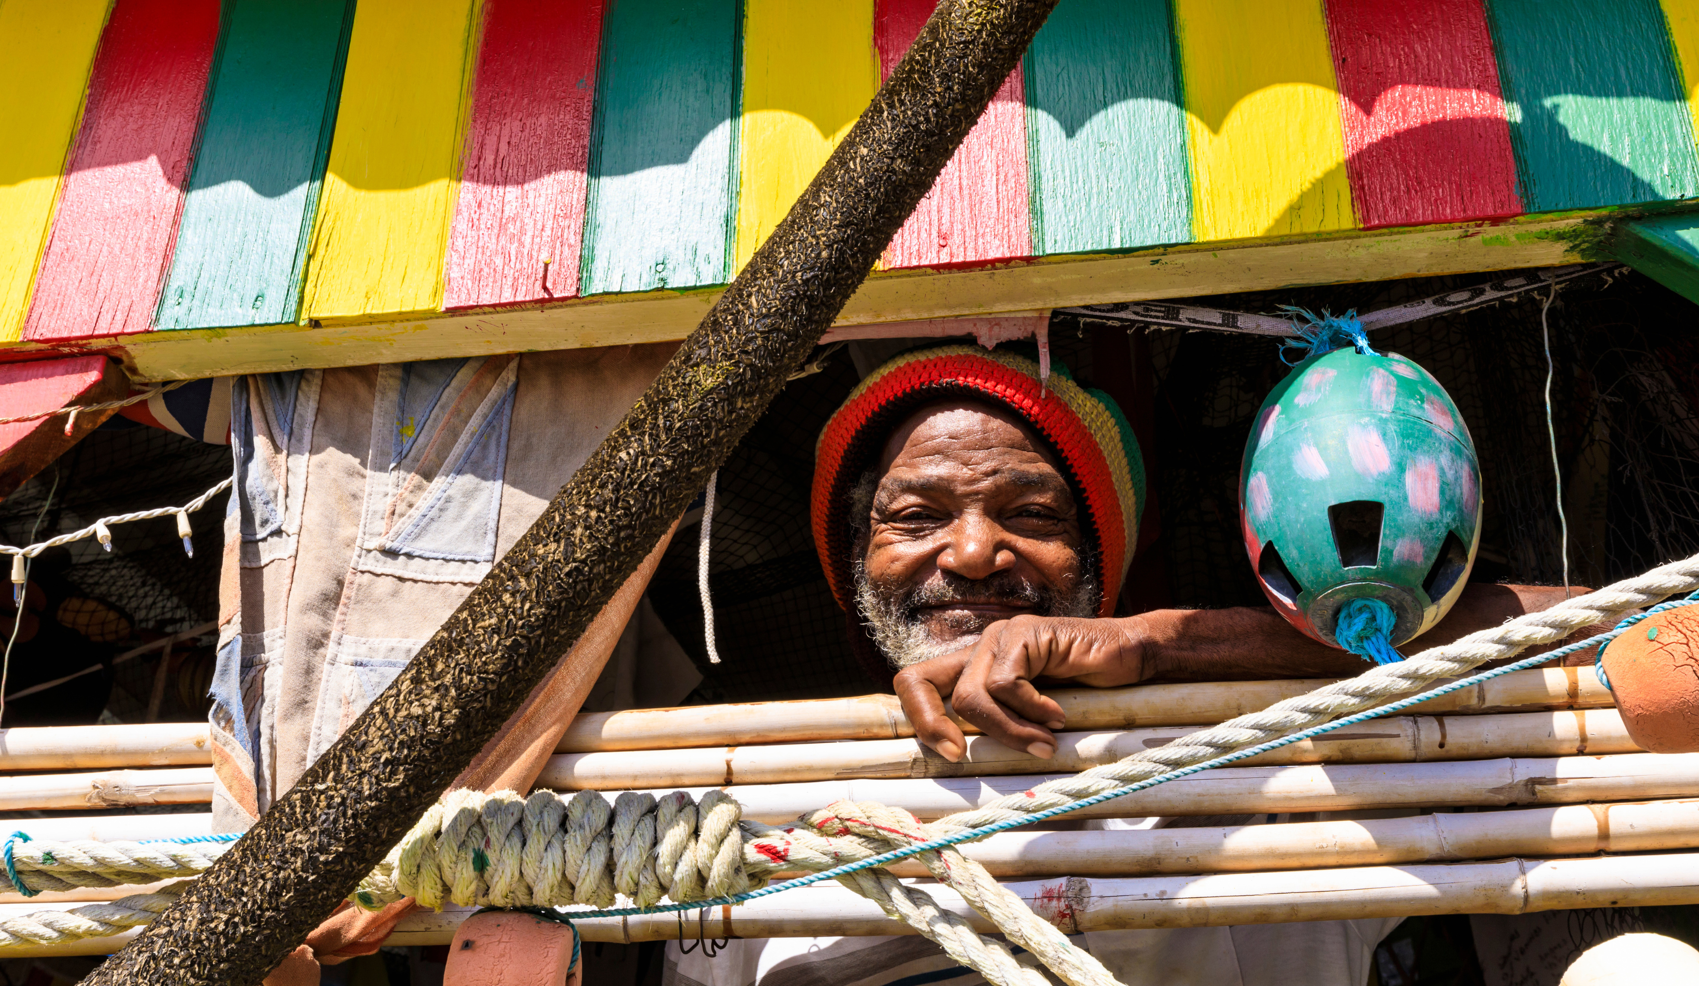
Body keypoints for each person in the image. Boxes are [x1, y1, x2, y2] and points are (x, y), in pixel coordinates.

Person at [666, 345, 1589, 986]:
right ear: (857, 565)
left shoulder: (1268, 760)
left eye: (1033, 515)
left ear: (1101, 569)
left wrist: (1160, 645)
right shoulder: (753, 822)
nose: (978, 550)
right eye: (916, 517)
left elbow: (1603, 628)